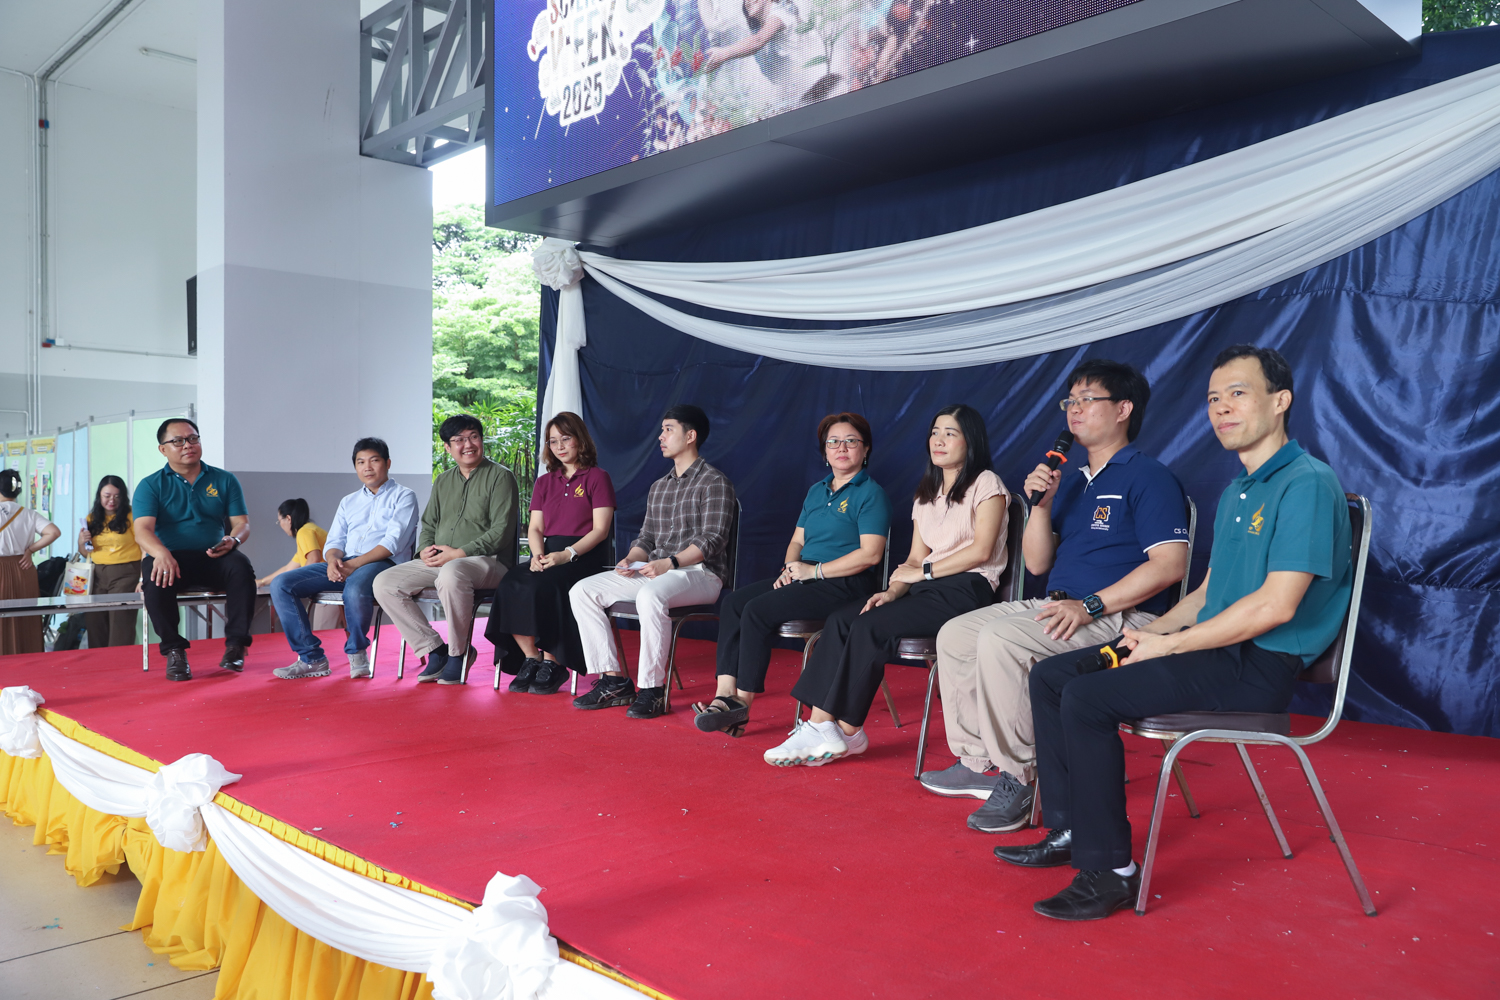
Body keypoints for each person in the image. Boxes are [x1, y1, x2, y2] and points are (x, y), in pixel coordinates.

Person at [1001, 345, 1353, 922]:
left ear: (1280, 401)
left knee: (1087, 698)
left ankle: (1110, 871)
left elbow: (1276, 605)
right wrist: (1148, 635)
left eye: (1237, 394)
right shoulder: (1240, 489)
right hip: (1216, 649)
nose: (1221, 408)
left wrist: (1169, 644)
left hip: (1259, 665)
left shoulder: (1307, 483)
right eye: (1213, 398)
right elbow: (1209, 593)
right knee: (1054, 675)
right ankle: (1070, 831)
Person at [921, 360, 1189, 833]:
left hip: (1122, 616)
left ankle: (1022, 777)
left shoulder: (1149, 476)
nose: (1074, 409)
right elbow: (1037, 564)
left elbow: (1170, 566)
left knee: (1002, 639)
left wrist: (1090, 606)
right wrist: (1040, 508)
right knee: (956, 634)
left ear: (1123, 409)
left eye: (1088, 399)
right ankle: (979, 762)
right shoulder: (1073, 479)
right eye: (1070, 401)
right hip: (1059, 604)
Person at [766, 404, 1008, 766]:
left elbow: (981, 550)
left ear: (970, 441)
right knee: (844, 619)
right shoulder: (927, 492)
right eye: (935, 433)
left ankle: (841, 730)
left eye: (950, 433)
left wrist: (921, 574)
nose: (939, 440)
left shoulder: (986, 482)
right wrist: (892, 591)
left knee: (870, 627)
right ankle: (827, 727)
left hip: (966, 589)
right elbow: (914, 559)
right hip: (926, 588)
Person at [696, 412, 889, 737]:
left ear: (866, 448)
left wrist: (814, 571)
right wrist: (789, 568)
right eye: (833, 442)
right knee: (733, 603)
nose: (841, 448)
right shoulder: (816, 491)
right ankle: (724, 695)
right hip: (806, 575)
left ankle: (741, 706)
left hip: (845, 582)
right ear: (825, 451)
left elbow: (871, 555)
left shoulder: (871, 493)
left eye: (851, 441)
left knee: (757, 610)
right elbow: (797, 542)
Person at [569, 404, 736, 720]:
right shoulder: (659, 486)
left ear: (690, 436)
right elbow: (646, 538)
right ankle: (613, 681)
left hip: (701, 574)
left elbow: (712, 540)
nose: (661, 436)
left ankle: (652, 690)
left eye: (668, 429)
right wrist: (631, 559)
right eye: (662, 430)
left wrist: (670, 562)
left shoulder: (715, 481)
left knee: (650, 595)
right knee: (582, 591)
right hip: (658, 572)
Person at [373, 415, 518, 686]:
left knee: (452, 572)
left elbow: (501, 532)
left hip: (489, 563)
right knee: (384, 582)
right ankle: (435, 649)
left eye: (473, 437)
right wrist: (424, 550)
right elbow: (429, 523)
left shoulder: (501, 477)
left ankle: (458, 653)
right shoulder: (443, 481)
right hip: (442, 561)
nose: (468, 444)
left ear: (481, 440)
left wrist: (458, 553)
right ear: (448, 447)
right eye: (459, 440)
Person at [486, 412, 616, 696]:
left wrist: (567, 555)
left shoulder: (598, 477)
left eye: (565, 439)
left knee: (548, 585)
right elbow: (535, 528)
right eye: (553, 441)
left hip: (585, 556)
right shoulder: (544, 482)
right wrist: (536, 555)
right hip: (549, 553)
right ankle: (532, 657)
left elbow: (601, 530)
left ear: (580, 439)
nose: (559, 446)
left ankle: (553, 661)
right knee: (511, 583)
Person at [270, 438, 419, 680]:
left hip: (384, 564)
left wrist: (352, 565)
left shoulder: (404, 496)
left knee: (355, 587)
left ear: (388, 463)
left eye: (374, 460)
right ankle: (311, 658)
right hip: (345, 562)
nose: (367, 467)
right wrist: (332, 561)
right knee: (282, 584)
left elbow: (392, 544)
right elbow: (334, 542)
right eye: (361, 462)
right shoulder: (349, 501)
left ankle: (357, 652)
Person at [132, 418, 254, 681]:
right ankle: (174, 651)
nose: (188, 445)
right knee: (154, 573)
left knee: (241, 566)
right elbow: (142, 530)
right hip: (171, 559)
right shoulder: (151, 485)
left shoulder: (224, 479)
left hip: (213, 556)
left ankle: (236, 645)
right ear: (163, 449)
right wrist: (161, 553)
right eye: (178, 441)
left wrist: (234, 540)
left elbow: (242, 523)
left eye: (193, 438)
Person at [0, 468, 61, 655]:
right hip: (23, 568)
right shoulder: (28, 513)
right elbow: (54, 532)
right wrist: (30, 550)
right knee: (25, 616)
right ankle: (28, 656)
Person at [78, 475, 142, 647]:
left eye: (117, 496)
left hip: (126, 573)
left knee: (120, 621)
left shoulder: (132, 516)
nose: (111, 501)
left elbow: (144, 547)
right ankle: (99, 659)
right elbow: (85, 552)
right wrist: (81, 541)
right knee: (95, 621)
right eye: (107, 496)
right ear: (99, 495)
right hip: (97, 574)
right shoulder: (92, 518)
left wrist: (143, 578)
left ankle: (119, 660)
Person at [256, 499, 327, 587]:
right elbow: (287, 569)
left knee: (282, 585)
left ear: (288, 519)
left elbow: (314, 559)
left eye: (279, 521)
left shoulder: (304, 532)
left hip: (329, 579)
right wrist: (261, 582)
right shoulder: (309, 529)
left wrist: (300, 580)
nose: (280, 525)